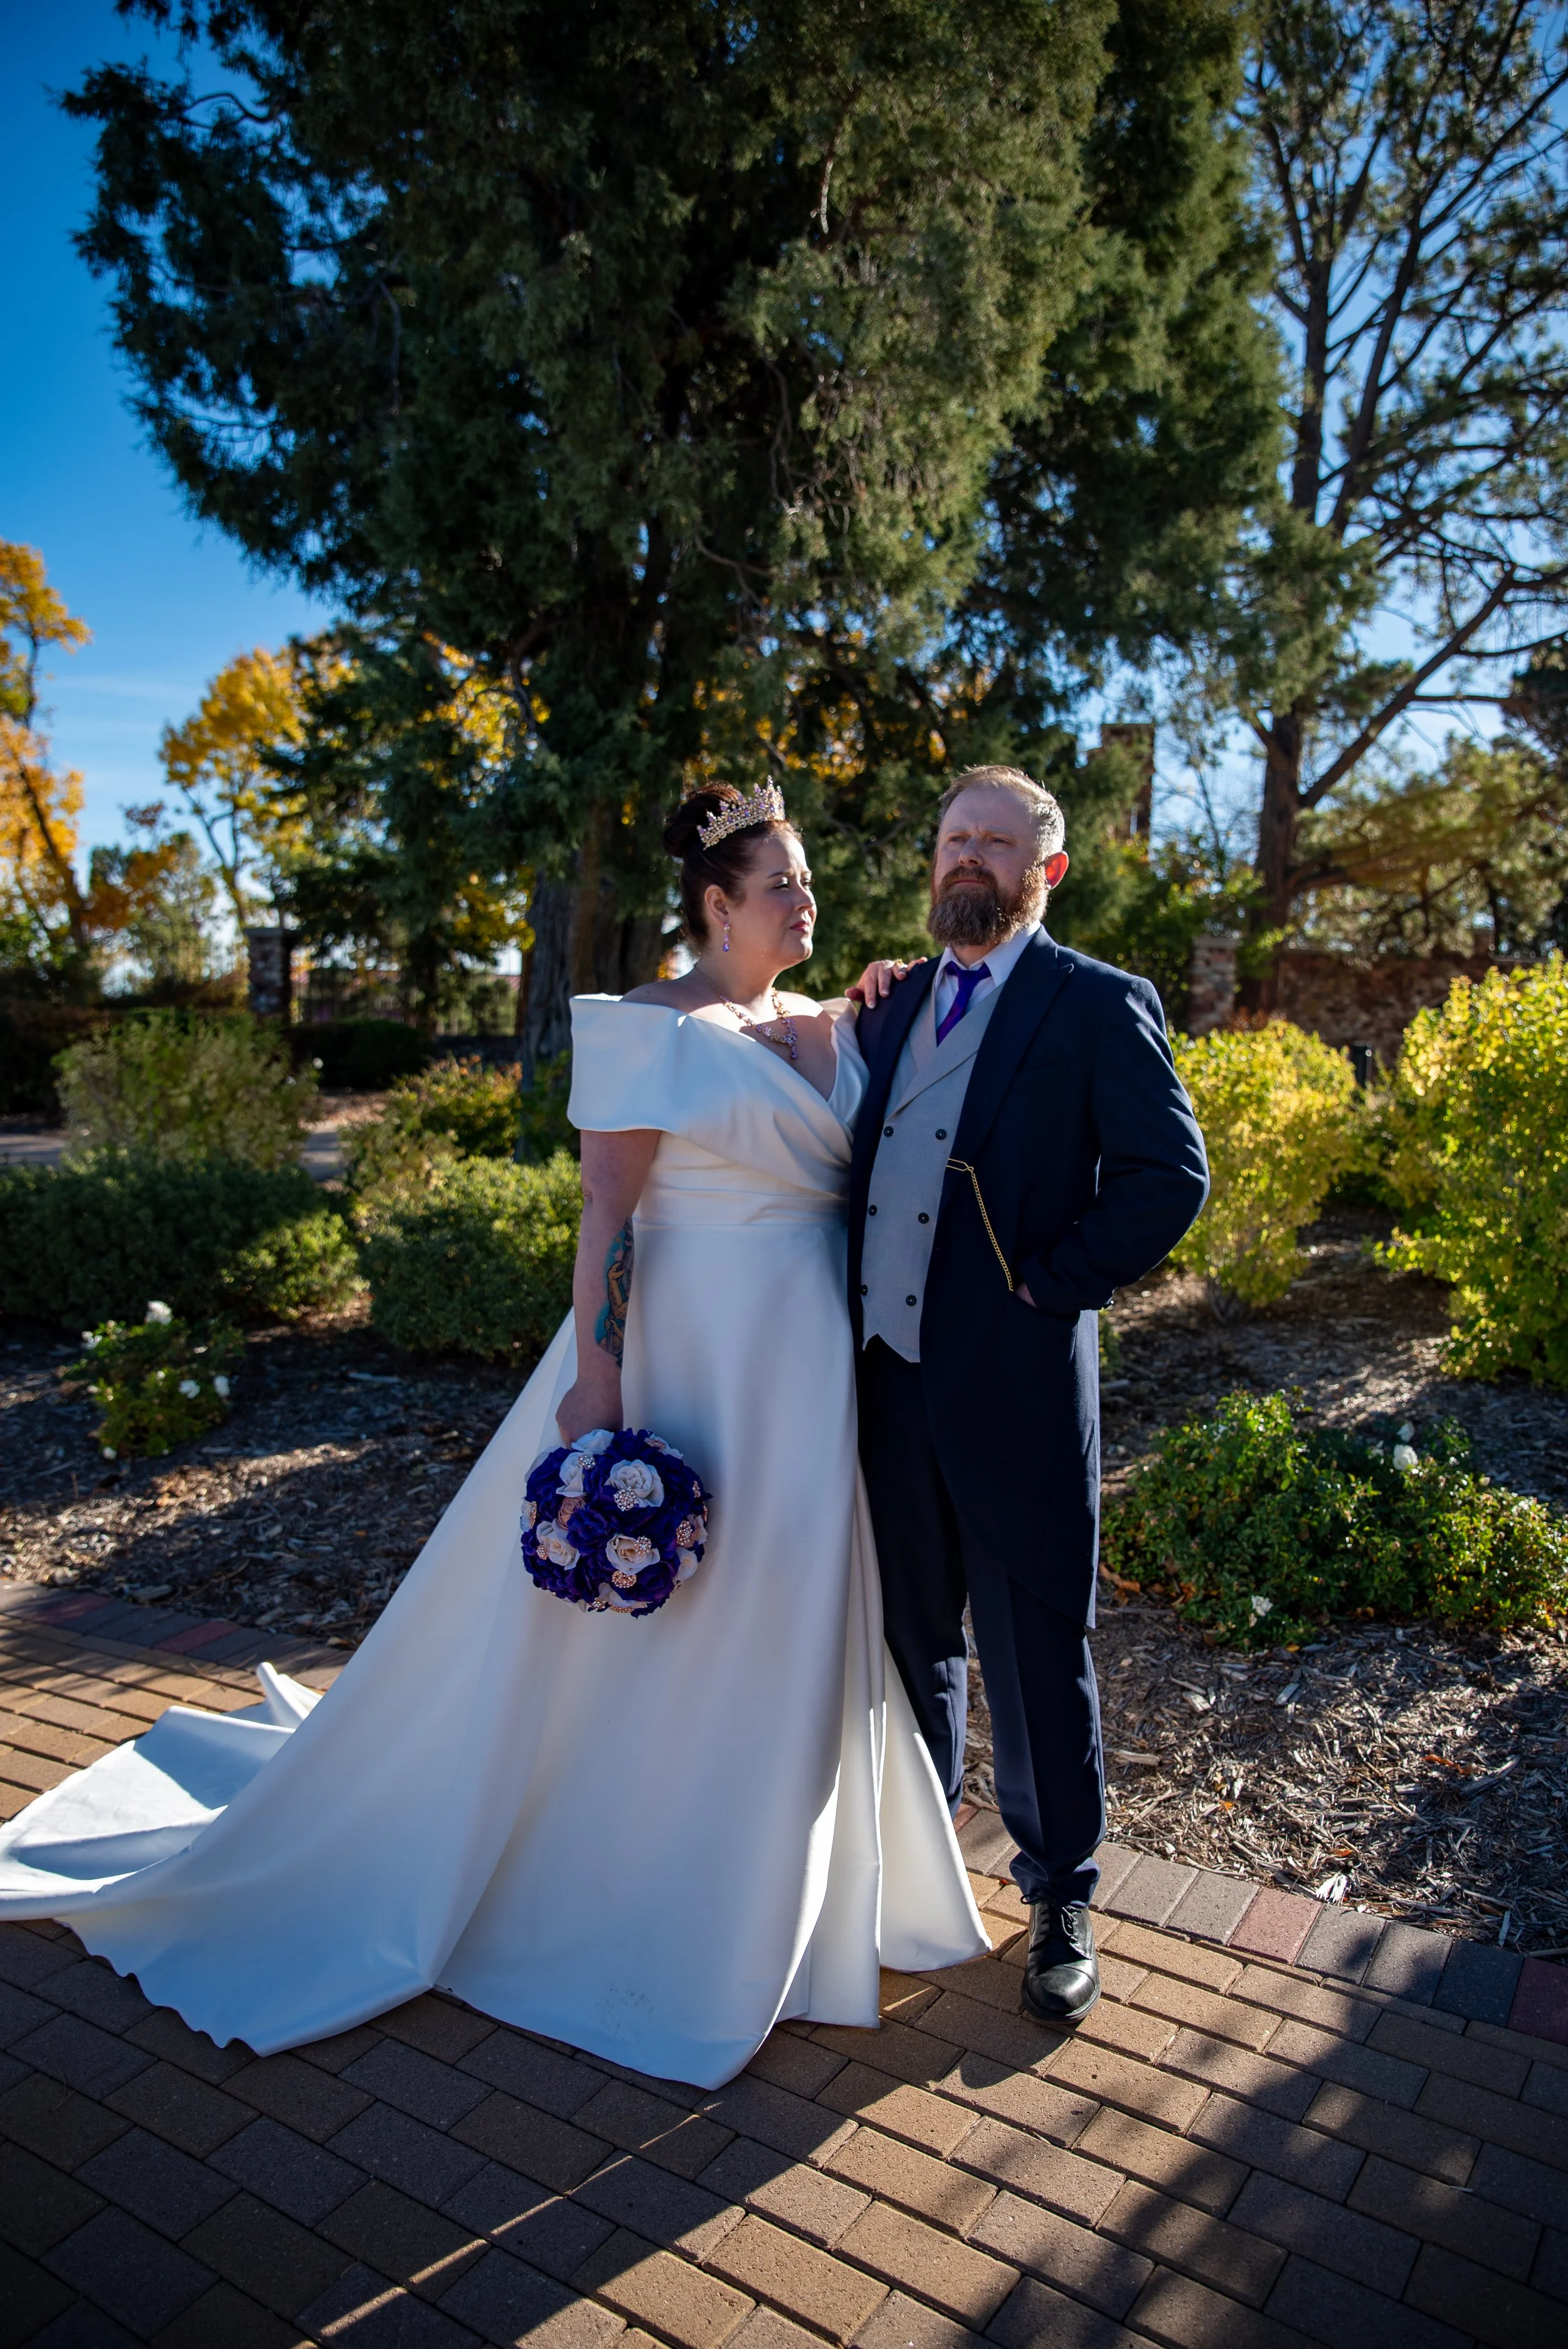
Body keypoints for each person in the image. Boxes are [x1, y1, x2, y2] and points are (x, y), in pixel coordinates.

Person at [0, 781, 985, 2089]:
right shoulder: (645, 1027)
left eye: (803, 884)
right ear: (714, 904)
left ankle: (767, 1886)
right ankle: (620, 1885)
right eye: (781, 885)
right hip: (684, 1351)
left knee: (783, 1601)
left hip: (802, 1365)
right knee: (647, 1619)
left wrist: (851, 1016)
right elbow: (609, 1216)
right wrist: (595, 1381)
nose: (805, 901)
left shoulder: (823, 1016)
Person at [850, 765, 1209, 2026]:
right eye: (953, 838)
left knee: (1032, 1649)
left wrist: (1044, 1290)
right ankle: (918, 1867)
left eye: (995, 845)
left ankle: (1059, 1896)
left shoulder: (1097, 1004)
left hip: (1012, 1388)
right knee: (911, 1644)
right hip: (881, 1381)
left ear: (1043, 873)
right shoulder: (884, 1009)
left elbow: (1168, 1179)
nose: (969, 860)